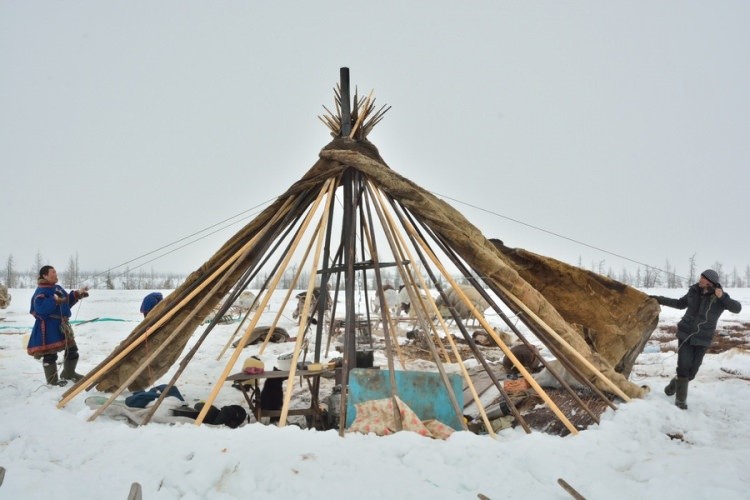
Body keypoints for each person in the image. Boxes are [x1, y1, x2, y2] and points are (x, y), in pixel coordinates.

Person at [650, 269, 742, 409]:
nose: (700, 280)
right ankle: (680, 402)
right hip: (686, 334)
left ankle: (673, 386)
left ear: (710, 282)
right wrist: (658, 299)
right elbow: (679, 304)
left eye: (702, 278)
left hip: (703, 338)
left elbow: (737, 309)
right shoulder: (693, 291)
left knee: (691, 373)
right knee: (683, 367)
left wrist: (723, 297)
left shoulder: (720, 297)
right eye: (700, 277)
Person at [27, 265, 90, 386]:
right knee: (50, 354)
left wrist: (78, 293)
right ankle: (52, 381)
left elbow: (67, 301)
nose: (56, 274)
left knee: (72, 350)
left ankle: (69, 373)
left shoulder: (58, 288)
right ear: (45, 275)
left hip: (62, 326)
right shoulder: (41, 291)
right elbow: (40, 309)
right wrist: (54, 300)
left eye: (55, 271)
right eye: (53, 272)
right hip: (49, 327)